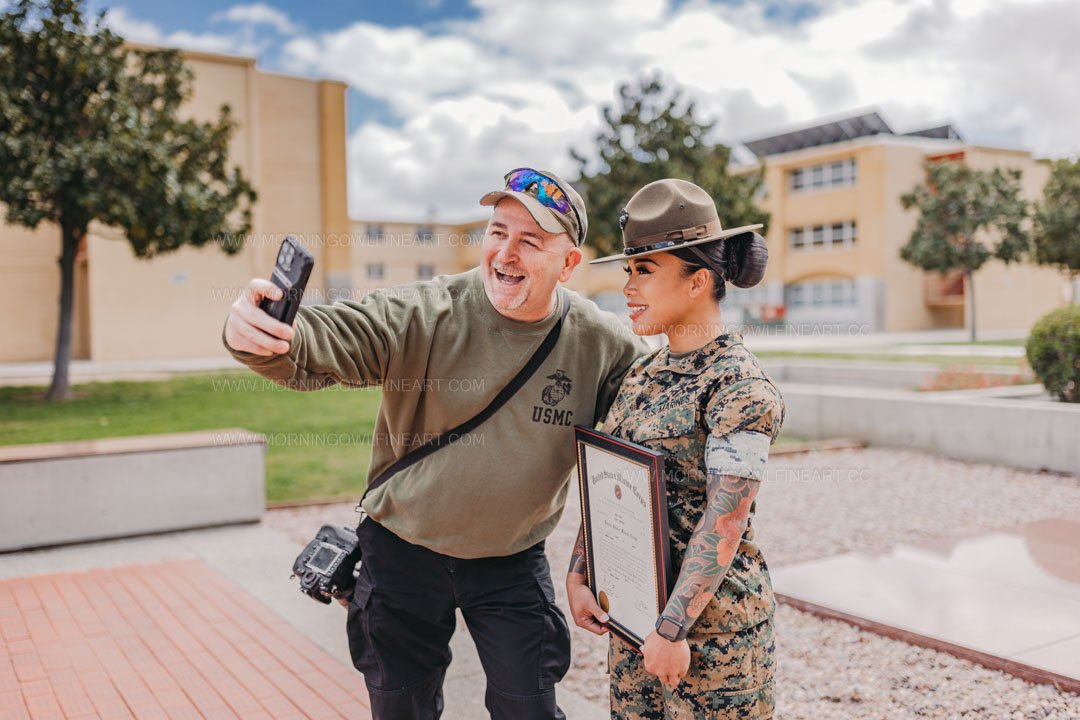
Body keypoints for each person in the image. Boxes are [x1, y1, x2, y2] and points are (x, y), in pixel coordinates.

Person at [222, 168, 647, 720]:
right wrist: (264, 336)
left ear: (568, 264)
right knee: (402, 708)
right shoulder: (427, 310)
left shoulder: (602, 343)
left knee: (530, 708)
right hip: (401, 553)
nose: (505, 253)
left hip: (511, 562)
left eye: (530, 241)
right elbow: (334, 337)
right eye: (498, 232)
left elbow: (637, 450)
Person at [565, 178, 785, 719]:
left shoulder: (738, 386)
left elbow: (725, 519)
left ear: (697, 282)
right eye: (628, 271)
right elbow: (607, 480)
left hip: (712, 643)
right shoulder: (642, 374)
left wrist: (671, 627)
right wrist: (578, 573)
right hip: (634, 621)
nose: (629, 288)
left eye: (646, 271)